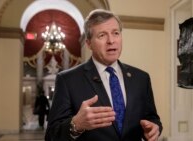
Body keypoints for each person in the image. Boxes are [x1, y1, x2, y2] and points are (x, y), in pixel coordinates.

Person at [45, 9, 162, 141]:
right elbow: (51, 136)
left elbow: (152, 118)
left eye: (116, 33)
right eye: (102, 35)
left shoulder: (141, 78)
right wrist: (76, 124)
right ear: (89, 44)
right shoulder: (67, 80)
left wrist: (154, 128)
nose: (111, 41)